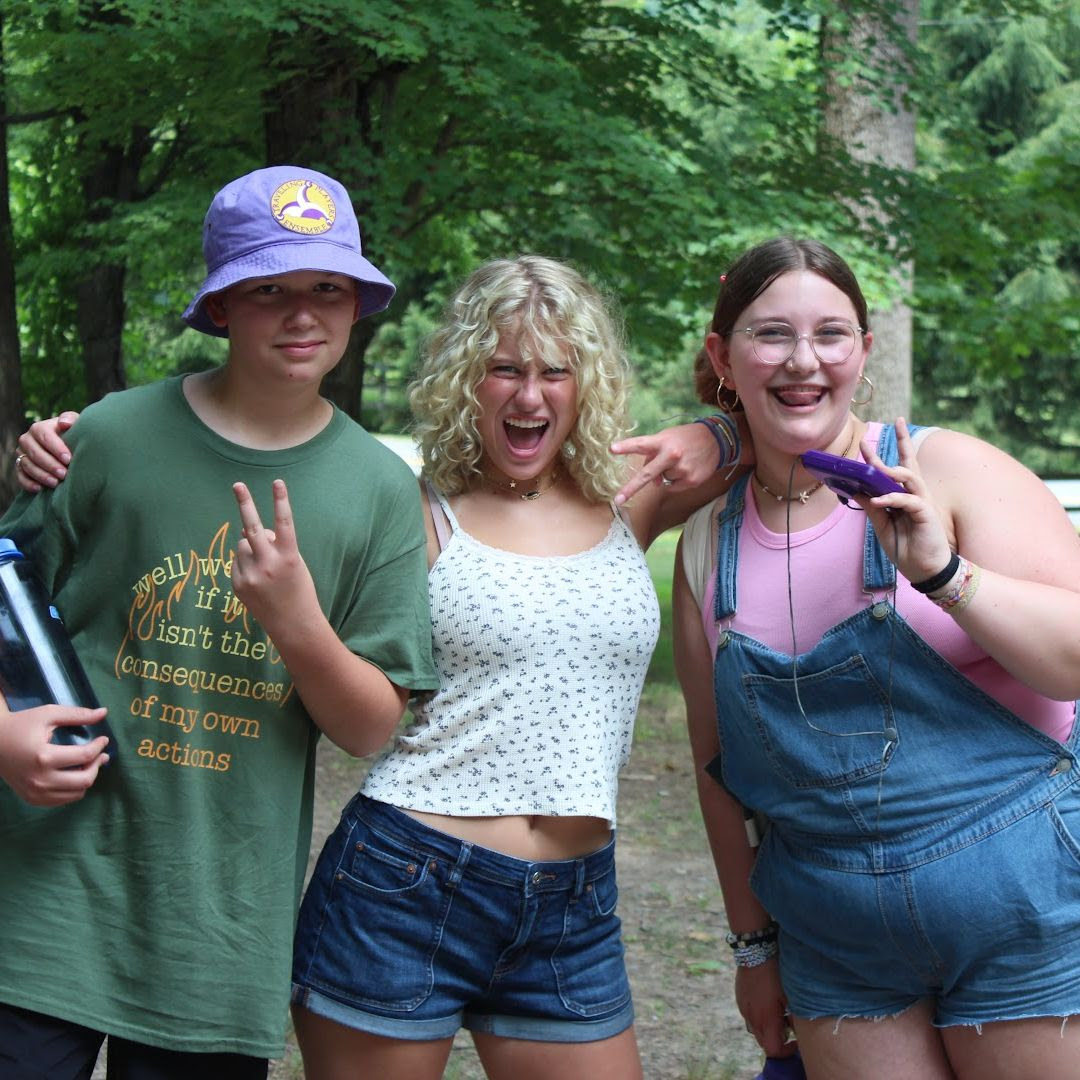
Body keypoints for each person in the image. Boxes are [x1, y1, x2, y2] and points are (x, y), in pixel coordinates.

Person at [13, 254, 744, 1078]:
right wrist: (71, 443)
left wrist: (705, 428)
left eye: (555, 371)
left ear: (587, 383)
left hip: (574, 906)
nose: (530, 395)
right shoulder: (409, 508)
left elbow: (776, 426)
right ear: (468, 378)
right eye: (504, 368)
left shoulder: (630, 500)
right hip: (408, 882)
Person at [0, 165, 438, 1078]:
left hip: (216, 933)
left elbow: (368, 727)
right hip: (42, 908)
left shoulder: (381, 493)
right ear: (221, 305)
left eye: (328, 288)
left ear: (359, 305)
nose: (302, 313)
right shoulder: (109, 437)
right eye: (269, 288)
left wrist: (295, 621)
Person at [663, 236, 1080, 1079]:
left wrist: (942, 573)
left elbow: (1072, 662)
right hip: (836, 942)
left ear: (864, 350)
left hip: (1026, 911)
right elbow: (719, 773)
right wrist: (752, 950)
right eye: (770, 334)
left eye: (831, 335)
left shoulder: (953, 471)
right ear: (723, 355)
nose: (803, 361)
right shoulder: (708, 544)